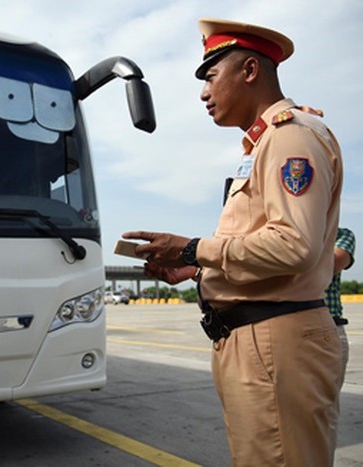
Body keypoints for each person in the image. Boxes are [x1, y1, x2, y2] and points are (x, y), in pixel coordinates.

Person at [123, 18, 344, 467]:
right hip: (255, 339)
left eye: (210, 76)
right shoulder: (264, 145)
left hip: (274, 339)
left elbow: (293, 245)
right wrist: (196, 270)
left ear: (248, 70)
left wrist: (192, 248)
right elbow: (262, 245)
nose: (204, 93)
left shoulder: (289, 137)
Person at [325, 227, 356, 372]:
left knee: (329, 391)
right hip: (288, 325)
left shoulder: (342, 235)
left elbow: (332, 264)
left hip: (330, 325)